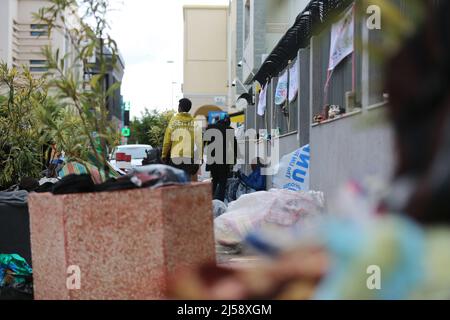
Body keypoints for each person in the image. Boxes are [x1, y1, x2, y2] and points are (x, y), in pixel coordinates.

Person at [162, 98, 201, 180]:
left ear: (180, 107)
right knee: (186, 180)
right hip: (188, 157)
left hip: (175, 156)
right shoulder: (194, 122)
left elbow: (167, 140)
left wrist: (164, 155)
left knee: (175, 181)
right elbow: (199, 142)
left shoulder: (174, 120)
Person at [204, 113, 237, 201]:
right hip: (224, 160)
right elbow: (234, 146)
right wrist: (234, 159)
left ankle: (209, 201)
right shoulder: (229, 130)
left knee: (214, 180)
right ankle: (219, 203)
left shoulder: (210, 127)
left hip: (212, 159)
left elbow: (203, 142)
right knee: (222, 181)